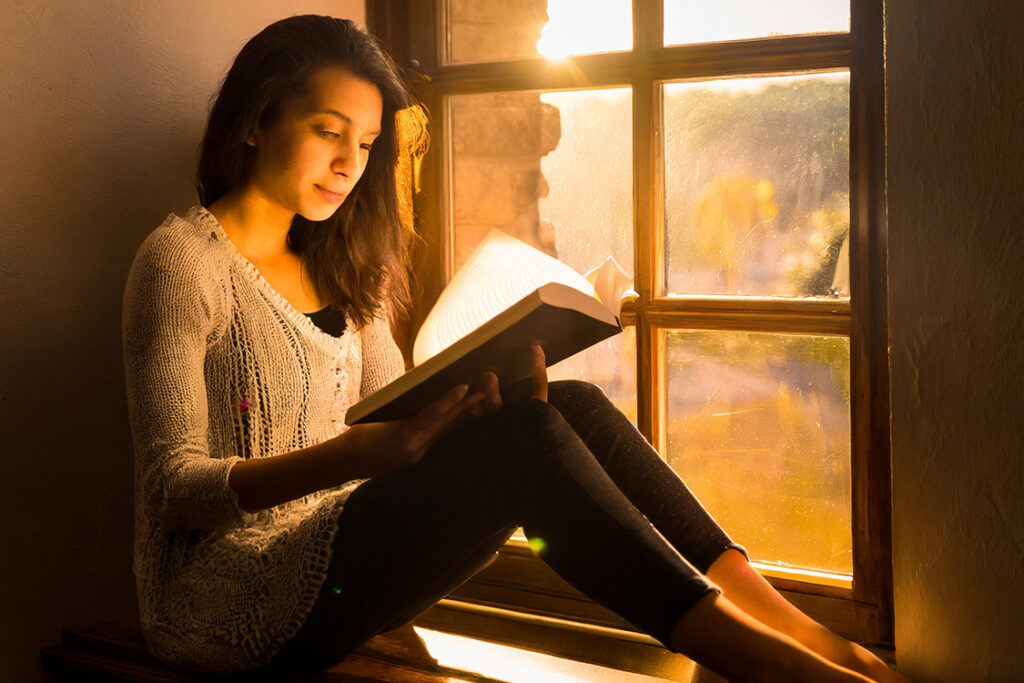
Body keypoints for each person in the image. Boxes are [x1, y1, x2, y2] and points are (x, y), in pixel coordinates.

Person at [122, 15, 909, 683]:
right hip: (223, 601)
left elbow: (392, 414)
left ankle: (800, 631)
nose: (348, 165)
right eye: (328, 133)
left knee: (569, 406)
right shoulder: (182, 260)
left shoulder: (337, 263)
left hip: (341, 558)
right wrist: (374, 451)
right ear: (256, 120)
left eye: (364, 144)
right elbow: (175, 488)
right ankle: (776, 666)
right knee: (527, 443)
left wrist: (475, 395)